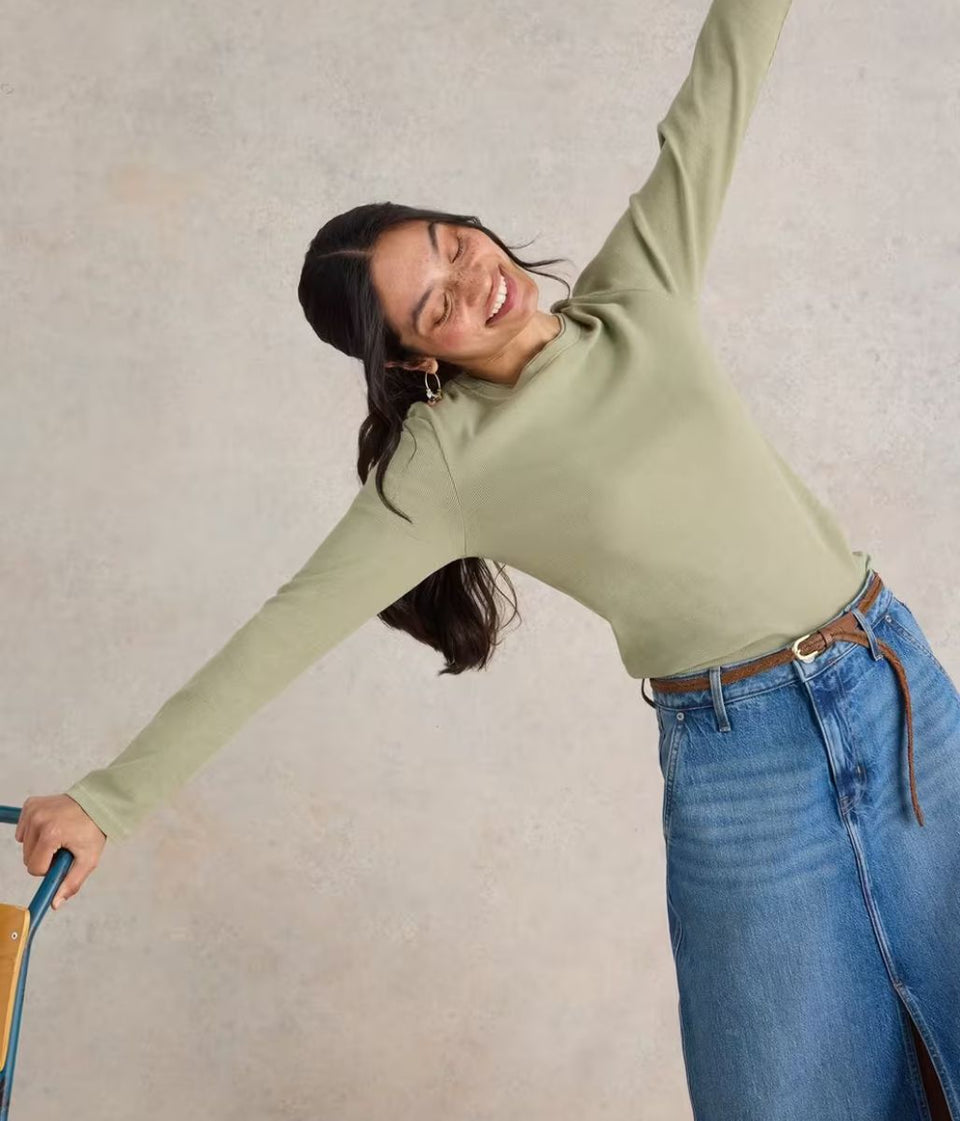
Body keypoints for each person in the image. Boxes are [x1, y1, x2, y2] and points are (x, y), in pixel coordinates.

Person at [15, 0, 958, 1116]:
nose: (475, 283)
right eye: (434, 303)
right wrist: (109, 801)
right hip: (738, 761)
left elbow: (719, 87)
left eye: (457, 246)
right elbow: (278, 634)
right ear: (412, 355)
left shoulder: (637, 293)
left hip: (891, 686)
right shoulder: (444, 465)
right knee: (784, 1095)